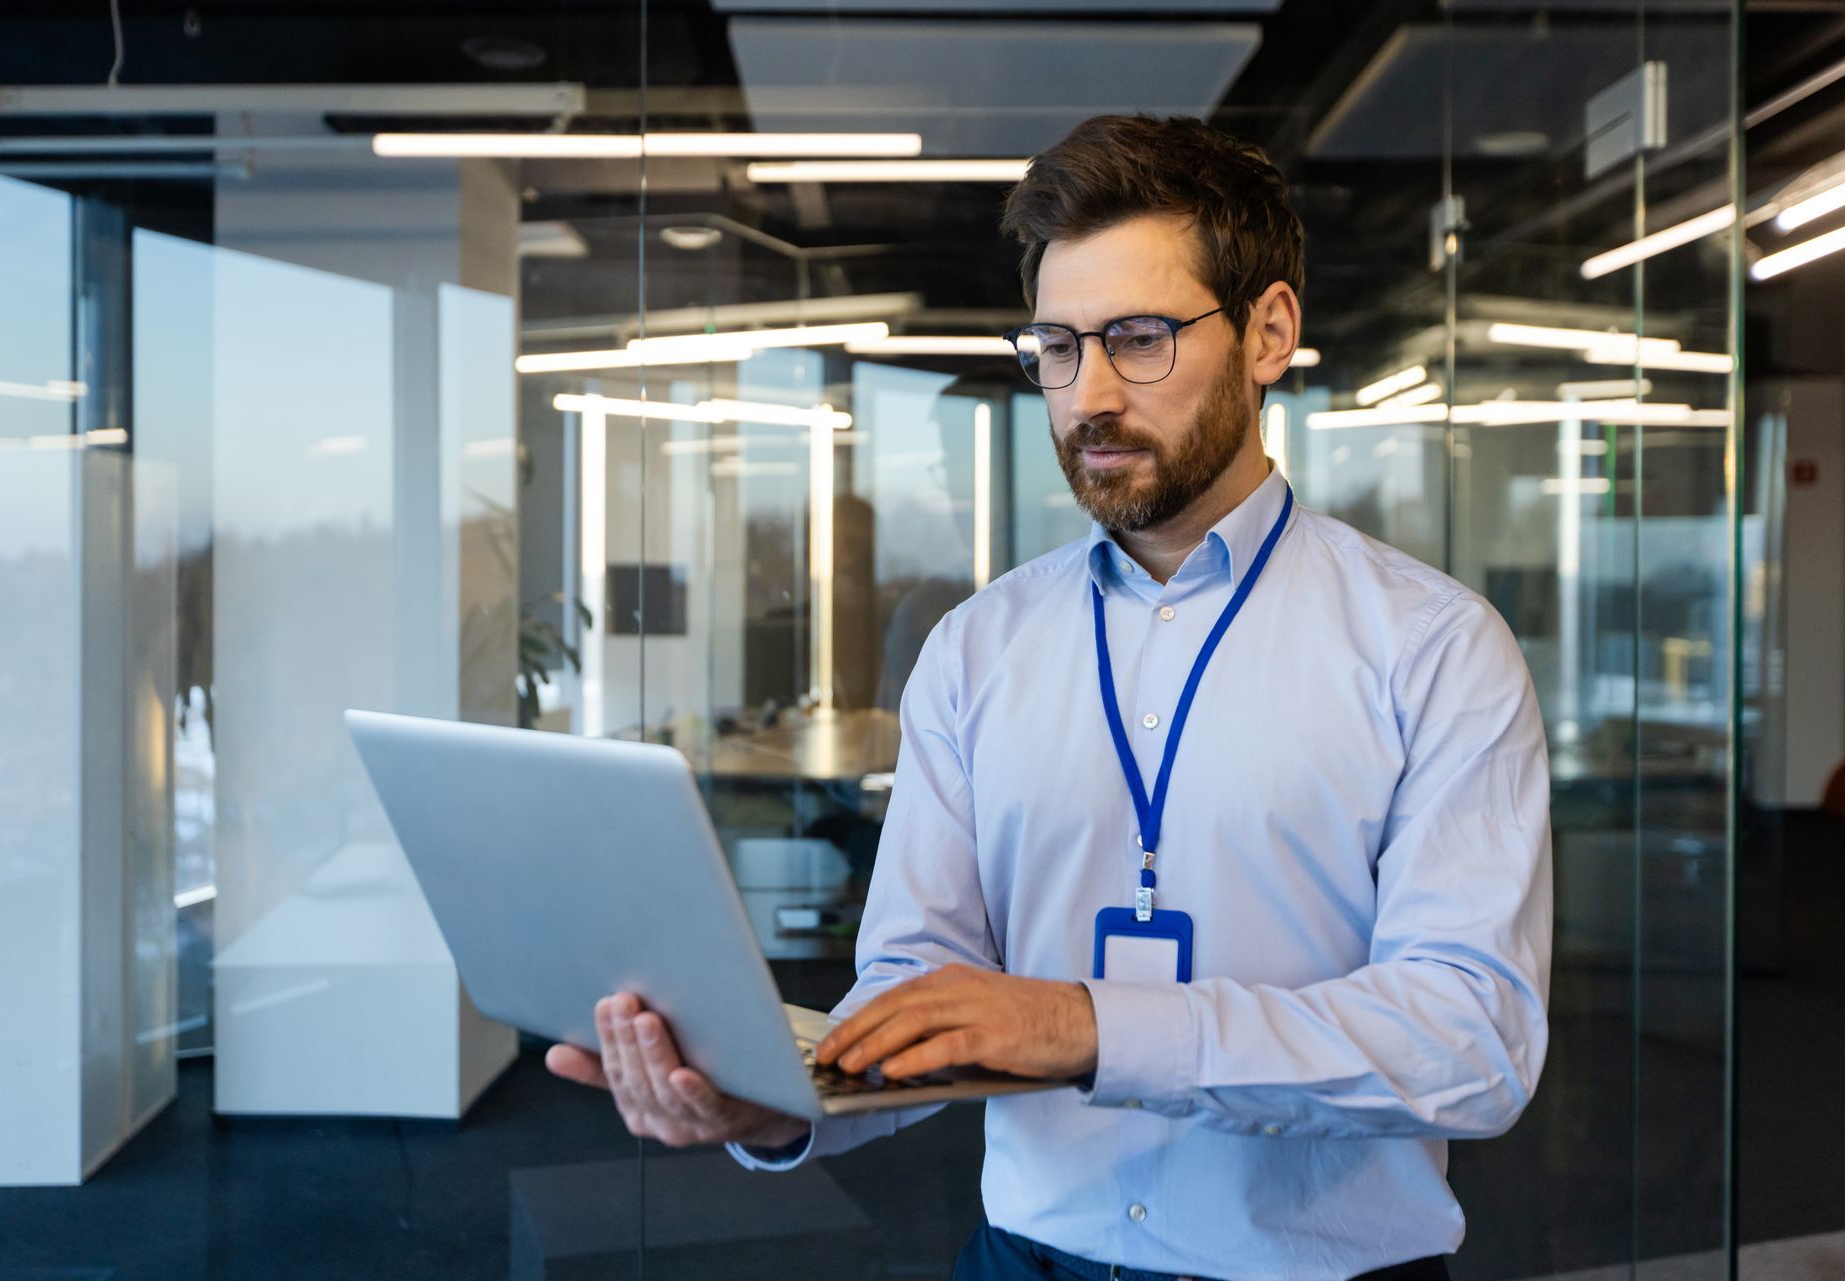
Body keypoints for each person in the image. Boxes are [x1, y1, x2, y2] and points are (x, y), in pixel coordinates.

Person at [545, 114, 1552, 1281]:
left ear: (1270, 331)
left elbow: (1471, 1042)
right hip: (1021, 1263)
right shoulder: (978, 652)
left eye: (1139, 337)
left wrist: (1088, 1025)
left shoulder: (1432, 649)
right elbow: (916, 999)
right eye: (1057, 348)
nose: (1089, 396)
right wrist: (778, 1111)